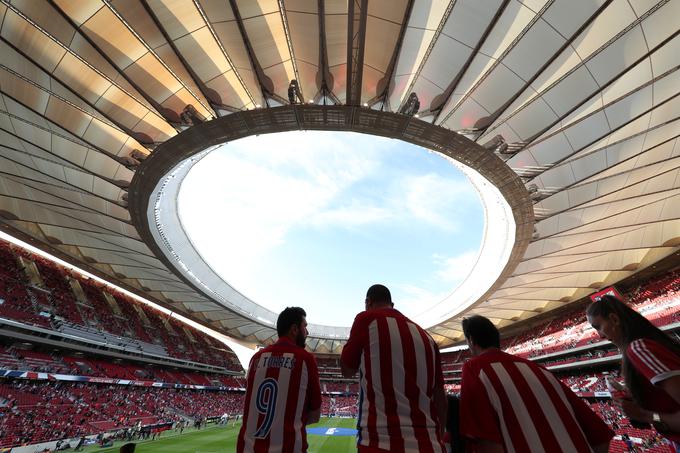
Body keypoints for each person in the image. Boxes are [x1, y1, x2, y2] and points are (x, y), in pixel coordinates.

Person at [460, 315, 614, 452]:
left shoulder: (474, 368)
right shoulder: (539, 369)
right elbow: (600, 435)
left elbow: (487, 440)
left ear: (471, 340)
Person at [340, 284, 447, 452]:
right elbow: (440, 396)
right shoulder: (427, 337)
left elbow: (347, 370)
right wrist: (438, 435)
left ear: (367, 302)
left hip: (379, 442)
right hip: (430, 444)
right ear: (392, 304)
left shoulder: (366, 319)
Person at [586, 295, 680, 448]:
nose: (600, 336)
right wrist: (638, 396)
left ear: (614, 319)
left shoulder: (639, 348)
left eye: (598, 327)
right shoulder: (647, 342)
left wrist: (643, 415)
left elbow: (657, 417)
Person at [237, 307, 321, 453]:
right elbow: (315, 416)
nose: (307, 332)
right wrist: (285, 421)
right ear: (294, 329)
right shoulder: (305, 359)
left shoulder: (256, 359)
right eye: (305, 327)